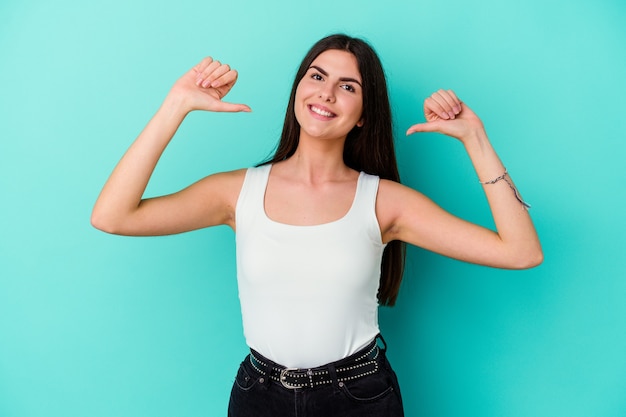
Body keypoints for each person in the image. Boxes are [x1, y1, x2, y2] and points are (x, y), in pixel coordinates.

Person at [91, 34, 542, 416]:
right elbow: (112, 216)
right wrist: (177, 105)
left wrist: (475, 139)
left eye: (348, 86)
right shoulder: (235, 192)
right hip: (258, 396)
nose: (326, 93)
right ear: (298, 90)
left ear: (364, 113)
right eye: (317, 76)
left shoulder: (384, 202)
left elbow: (521, 251)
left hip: (359, 397)